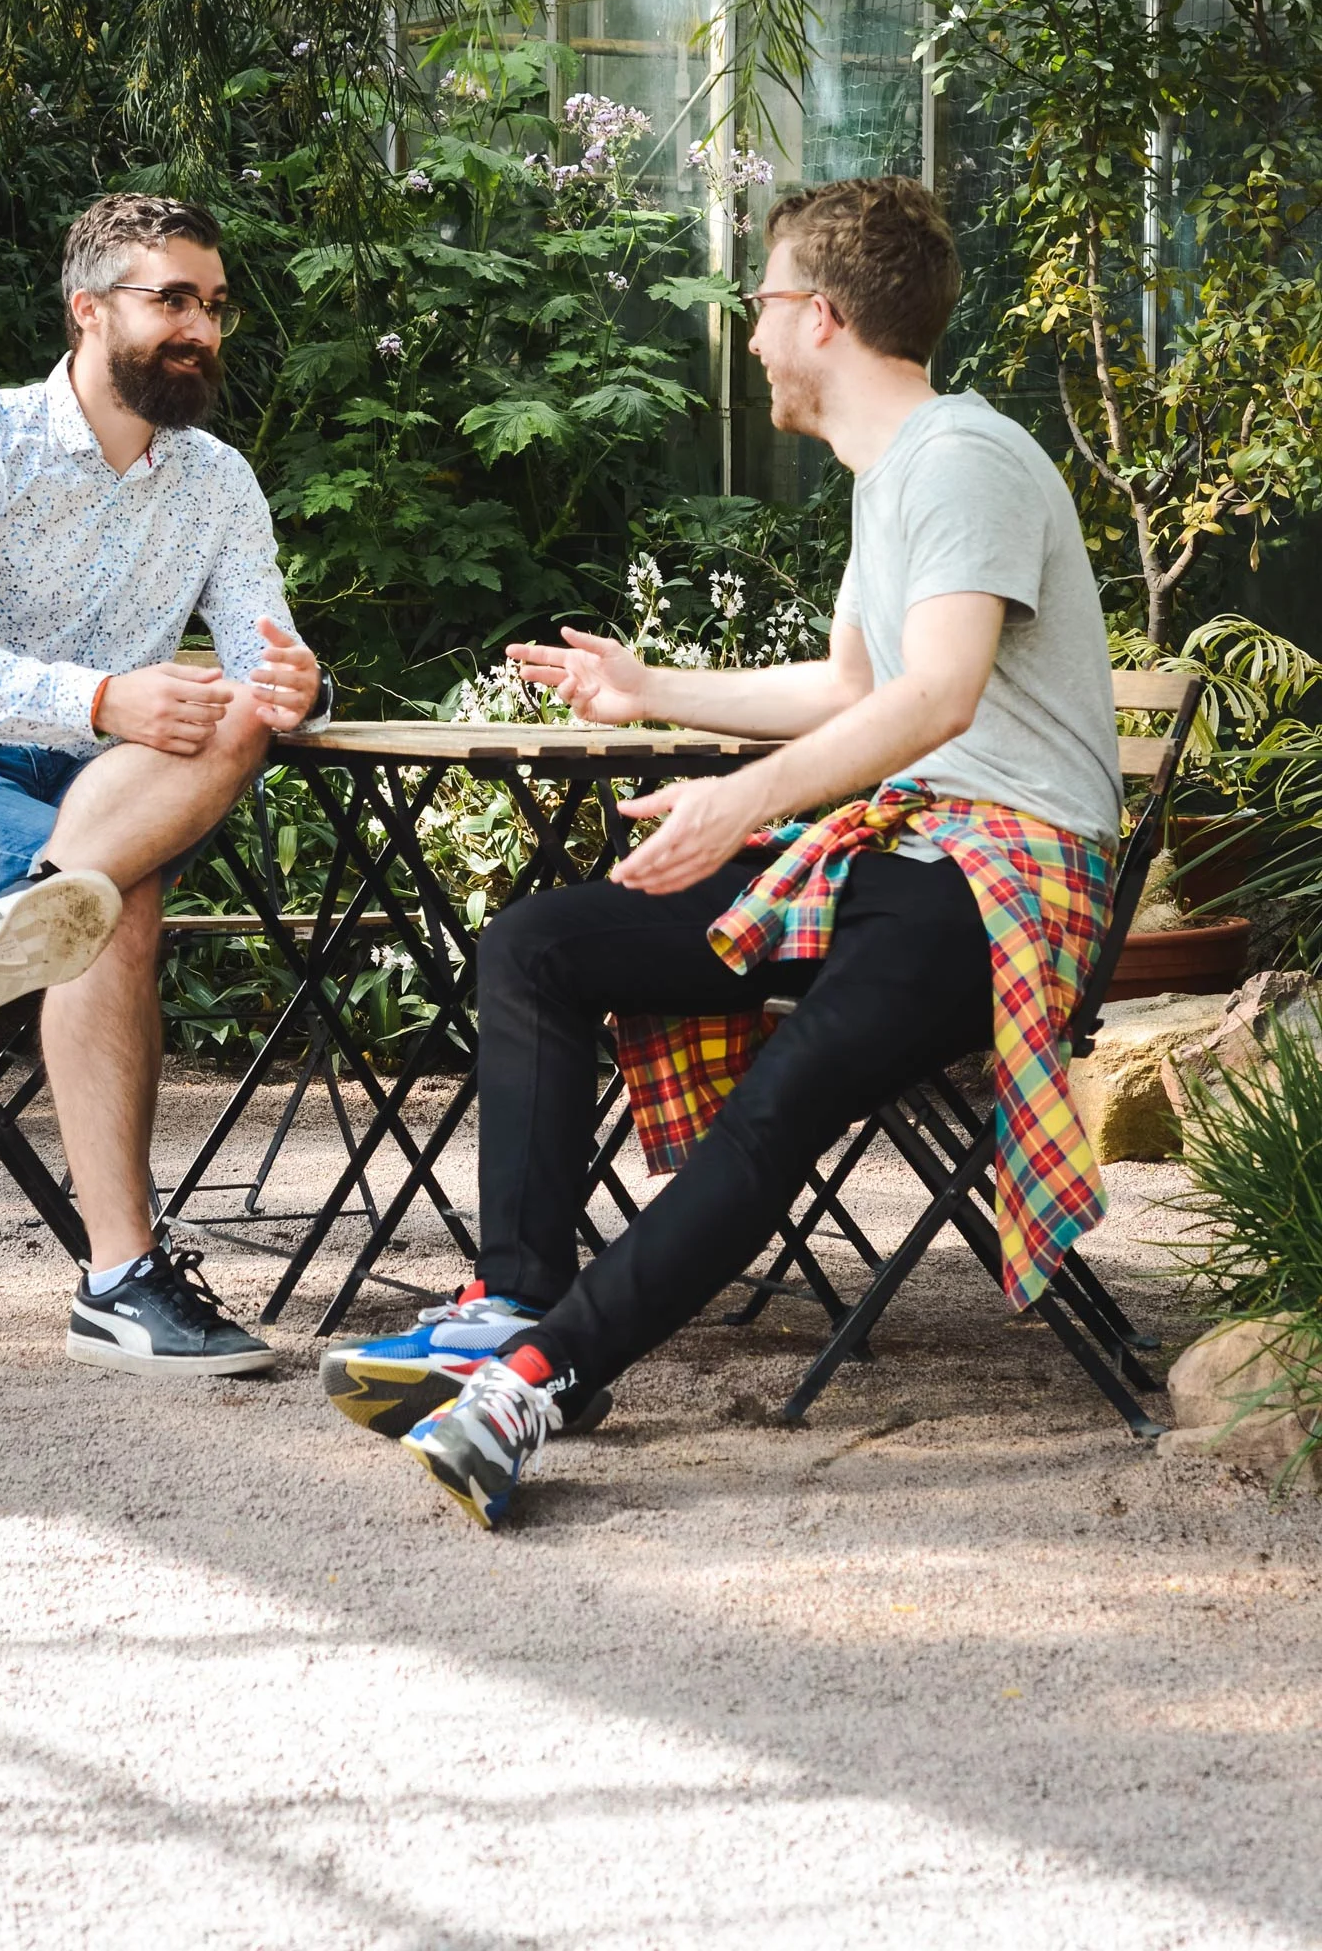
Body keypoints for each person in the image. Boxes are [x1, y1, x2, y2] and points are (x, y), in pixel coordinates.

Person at [322, 174, 1123, 1525]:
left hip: (1001, 886)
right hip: (900, 859)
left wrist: (744, 805)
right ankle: (514, 1295)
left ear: (819, 316)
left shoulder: (964, 459)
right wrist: (655, 691)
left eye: (760, 308)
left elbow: (938, 700)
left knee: (788, 1095)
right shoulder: (902, 477)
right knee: (542, 945)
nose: (749, 338)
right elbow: (848, 686)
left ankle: (537, 1382)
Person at [0, 193, 328, 1380]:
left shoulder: (219, 480)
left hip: (99, 797)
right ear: (89, 308)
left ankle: (55, 890)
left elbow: (267, 655)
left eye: (213, 303)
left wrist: (301, 682)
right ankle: (119, 1281)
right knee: (116, 908)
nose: (201, 327)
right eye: (173, 300)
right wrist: (102, 699)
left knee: (237, 713)